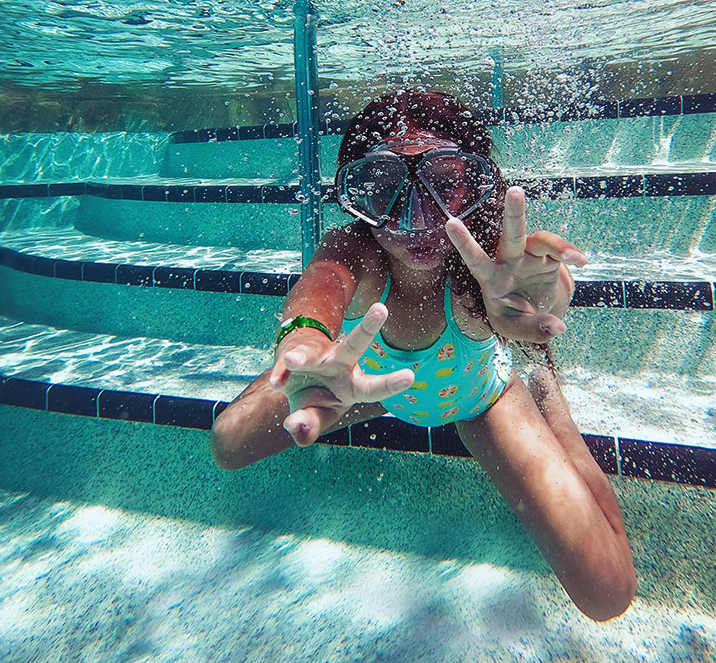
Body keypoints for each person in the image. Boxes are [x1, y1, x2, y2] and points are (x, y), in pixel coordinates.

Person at [210, 90, 636, 621]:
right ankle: (329, 380)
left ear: (474, 186)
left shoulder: (489, 261)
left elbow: (538, 286)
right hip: (367, 381)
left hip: (481, 397)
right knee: (227, 442)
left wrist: (544, 296)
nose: (416, 217)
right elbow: (321, 284)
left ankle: (555, 404)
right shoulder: (356, 248)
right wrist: (305, 339)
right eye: (386, 189)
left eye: (444, 183)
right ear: (357, 197)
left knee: (607, 594)